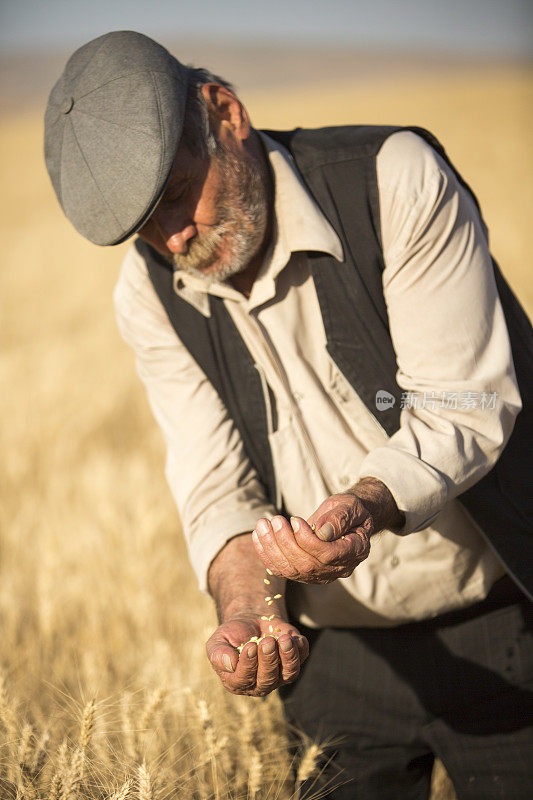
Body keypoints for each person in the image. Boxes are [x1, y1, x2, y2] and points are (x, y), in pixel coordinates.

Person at [44, 30, 533, 800]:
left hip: (506, 621)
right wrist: (246, 612)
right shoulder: (147, 293)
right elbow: (213, 483)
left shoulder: (391, 179)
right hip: (333, 661)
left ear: (225, 112)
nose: (171, 238)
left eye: (173, 195)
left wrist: (360, 510)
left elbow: (462, 404)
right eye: (143, 226)